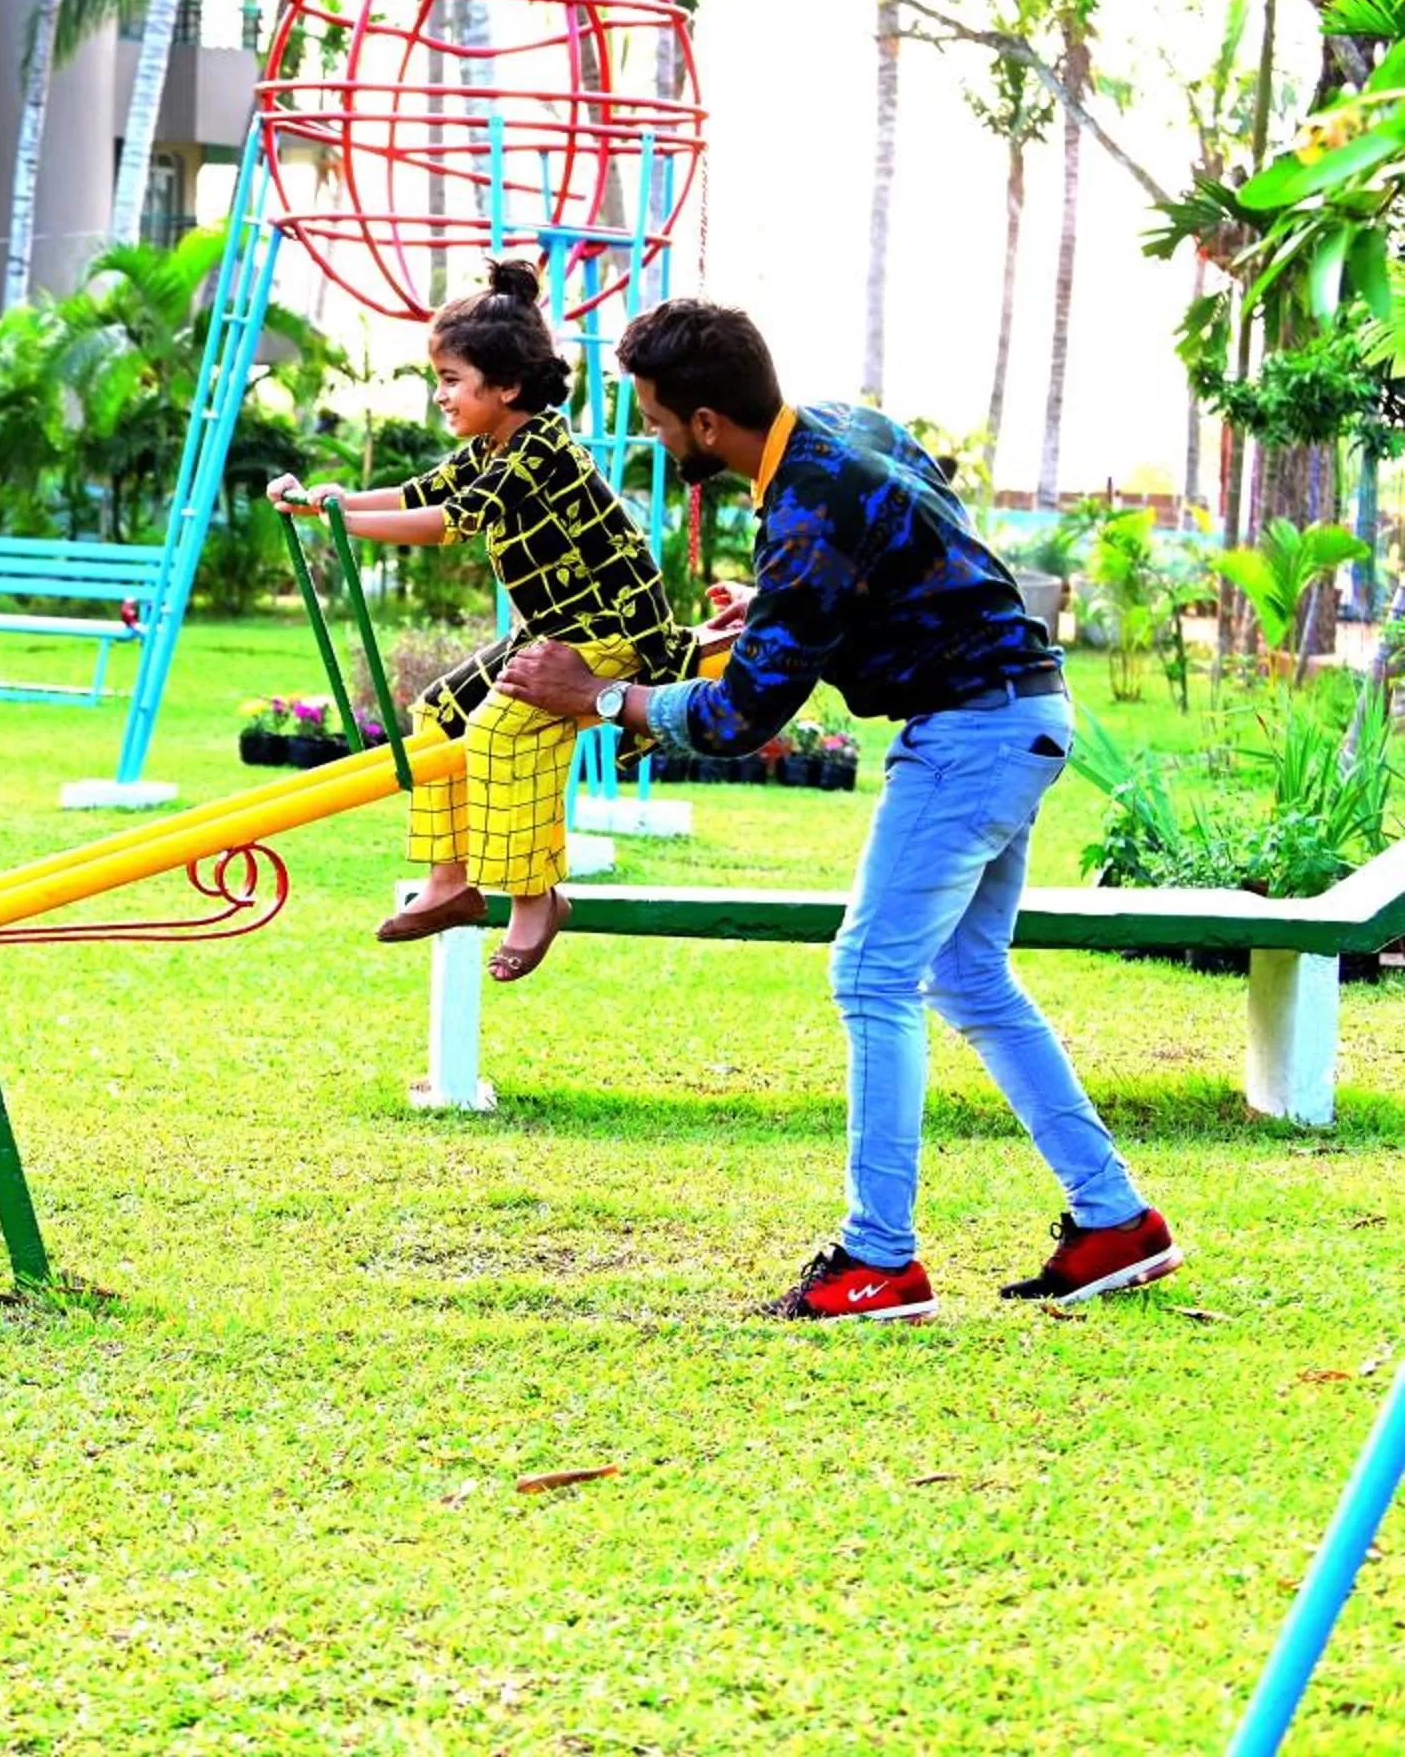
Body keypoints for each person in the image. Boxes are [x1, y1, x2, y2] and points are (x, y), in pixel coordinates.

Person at [494, 298, 1181, 1322]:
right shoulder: (843, 429)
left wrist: (595, 697)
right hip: (1018, 708)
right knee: (967, 972)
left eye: (654, 413)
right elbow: (913, 524)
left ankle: (879, 1258)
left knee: (871, 971)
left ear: (707, 423)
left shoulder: (808, 510)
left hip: (971, 730)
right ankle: (1116, 1219)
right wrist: (781, 608)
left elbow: (737, 714)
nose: (650, 430)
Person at [266, 261, 694, 981]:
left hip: (614, 631)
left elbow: (450, 522)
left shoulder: (540, 452)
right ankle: (451, 880)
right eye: (439, 379)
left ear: (508, 387)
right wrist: (330, 502)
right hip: (554, 633)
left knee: (500, 730)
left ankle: (536, 899)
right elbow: (418, 490)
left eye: (452, 380)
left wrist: (343, 526)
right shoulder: (492, 447)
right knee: (439, 711)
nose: (441, 396)